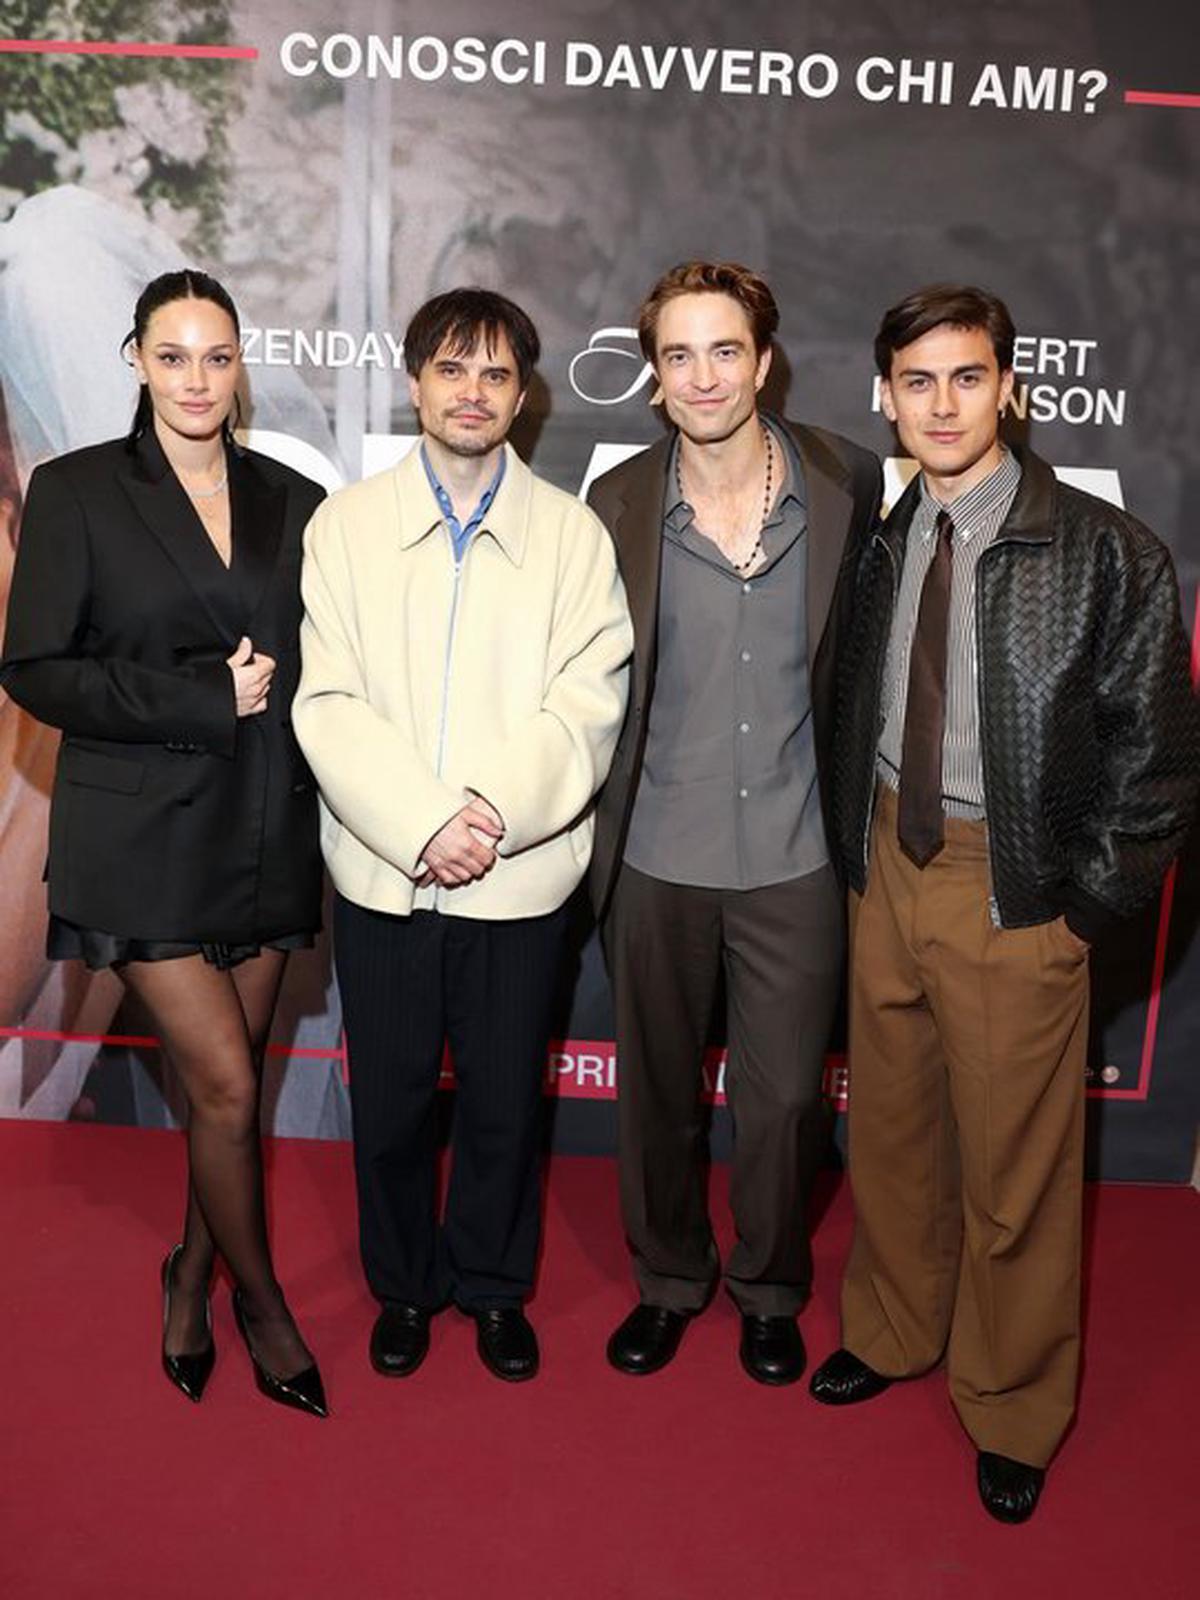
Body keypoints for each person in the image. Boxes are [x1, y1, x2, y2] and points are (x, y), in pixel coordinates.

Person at [810, 283, 1200, 1521]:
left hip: (1014, 885)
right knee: (894, 1133)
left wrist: (1082, 910)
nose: (940, 403)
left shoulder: (1107, 551)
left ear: (1010, 388)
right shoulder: (881, 534)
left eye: (965, 377)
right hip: (884, 858)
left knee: (1019, 1173)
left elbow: (1159, 762)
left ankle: (1015, 1400)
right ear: (886, 398)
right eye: (916, 381)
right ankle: (891, 1327)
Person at [0, 270, 329, 1417]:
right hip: (139, 839)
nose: (197, 379)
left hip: (264, 830)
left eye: (218, 356)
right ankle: (264, 1303)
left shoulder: (292, 496)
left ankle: (187, 1272)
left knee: (224, 1098)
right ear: (135, 358)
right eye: (174, 355)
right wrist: (200, 697)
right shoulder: (81, 492)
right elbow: (36, 668)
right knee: (231, 1087)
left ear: (242, 364)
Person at [294, 287, 632, 1382]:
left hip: (518, 882)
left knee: (500, 1105)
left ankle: (491, 1286)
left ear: (523, 395)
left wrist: (486, 817)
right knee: (387, 1103)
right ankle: (404, 1286)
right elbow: (327, 702)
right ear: (415, 380)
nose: (472, 392)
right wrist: (424, 823)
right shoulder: (345, 527)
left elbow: (588, 700)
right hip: (384, 878)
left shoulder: (573, 537)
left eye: (494, 374)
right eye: (452, 368)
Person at [586, 261, 882, 1385]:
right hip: (656, 849)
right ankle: (668, 1277)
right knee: (656, 1092)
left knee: (788, 1100)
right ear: (654, 378)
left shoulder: (846, 481)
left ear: (764, 361)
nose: (703, 376)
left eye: (724, 351)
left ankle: (769, 1285)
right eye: (678, 355)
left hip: (800, 857)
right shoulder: (617, 504)